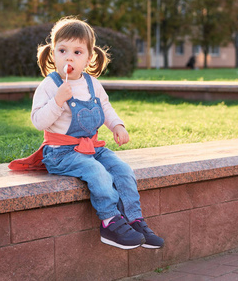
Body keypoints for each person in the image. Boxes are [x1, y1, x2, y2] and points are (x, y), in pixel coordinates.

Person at [9, 17, 164, 250]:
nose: (69, 57)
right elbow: (38, 121)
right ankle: (110, 222)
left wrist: (117, 126)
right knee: (97, 172)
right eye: (62, 50)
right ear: (53, 54)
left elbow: (106, 109)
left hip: (93, 148)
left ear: (89, 57)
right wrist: (58, 101)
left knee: (123, 170)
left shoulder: (93, 84)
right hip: (61, 152)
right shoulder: (49, 86)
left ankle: (133, 219)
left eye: (77, 52)